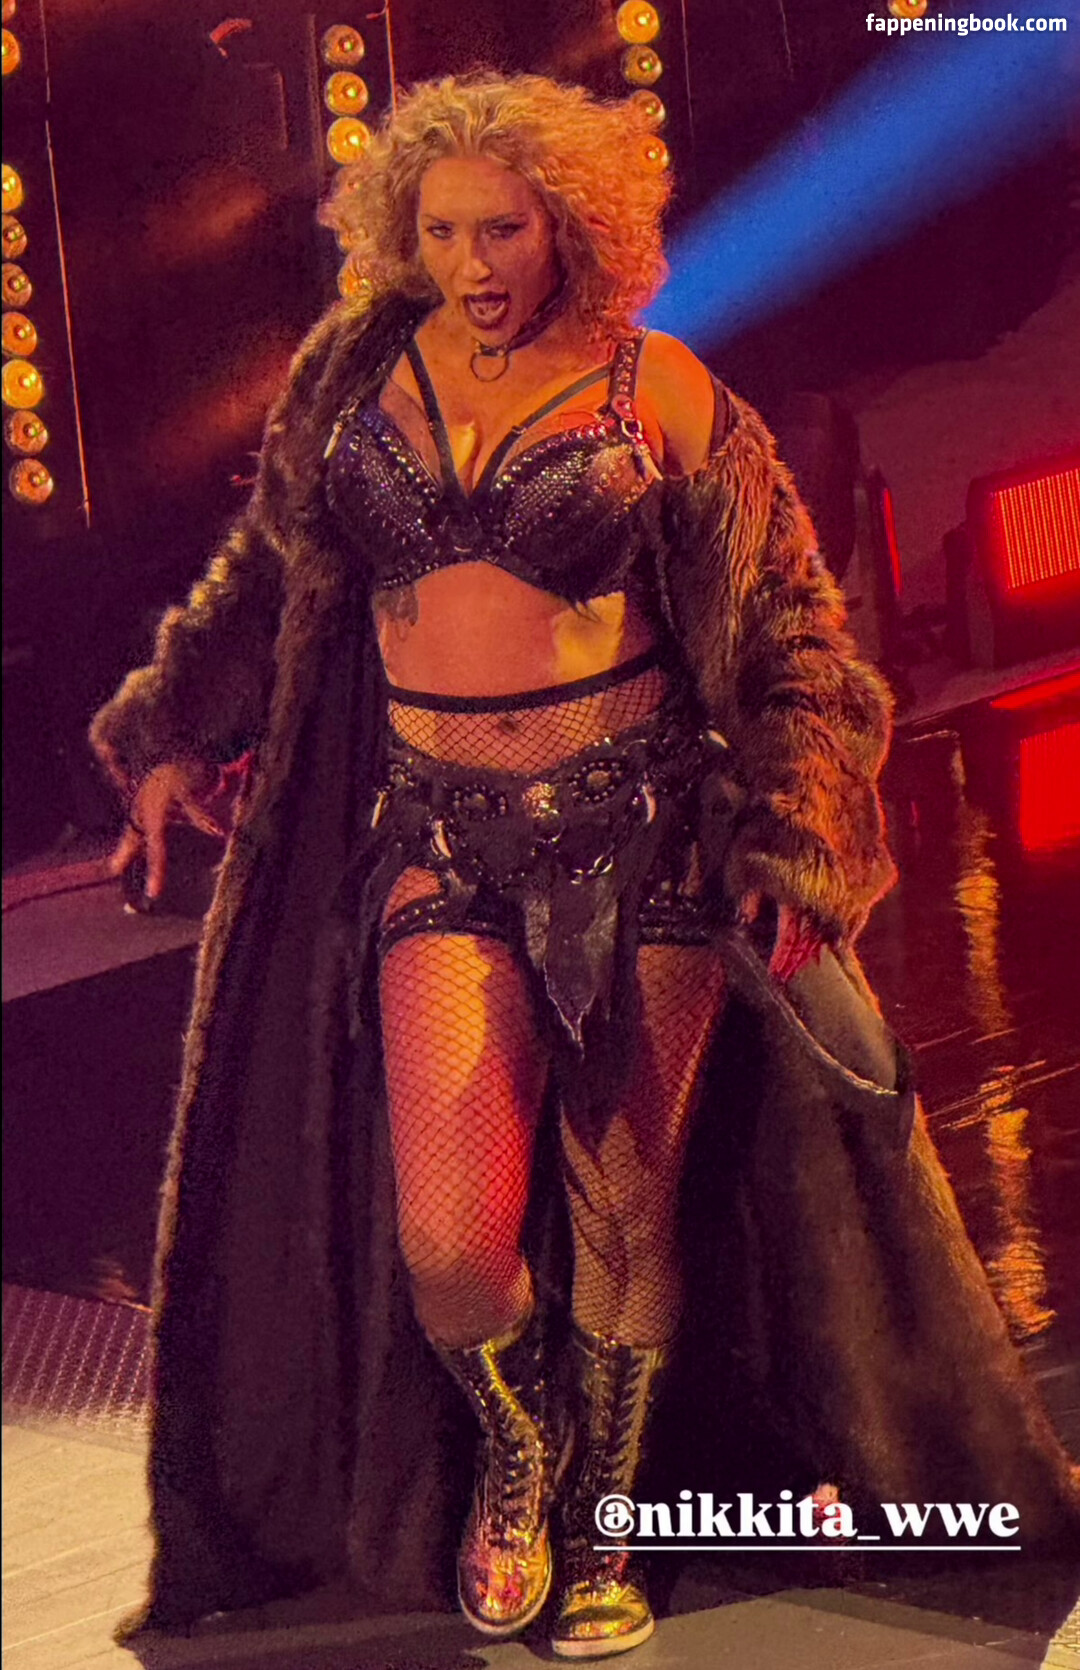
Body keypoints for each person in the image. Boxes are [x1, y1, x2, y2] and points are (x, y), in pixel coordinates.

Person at [92, 72, 1078, 1660]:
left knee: (625, 1209)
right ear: (400, 233)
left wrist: (796, 826)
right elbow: (267, 579)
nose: (473, 263)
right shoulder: (353, 378)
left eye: (504, 228)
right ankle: (518, 1444)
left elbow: (794, 635)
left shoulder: (659, 388)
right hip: (437, 841)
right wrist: (168, 731)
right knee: (454, 1241)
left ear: (570, 225)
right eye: (442, 231)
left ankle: (608, 1505)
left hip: (644, 838)